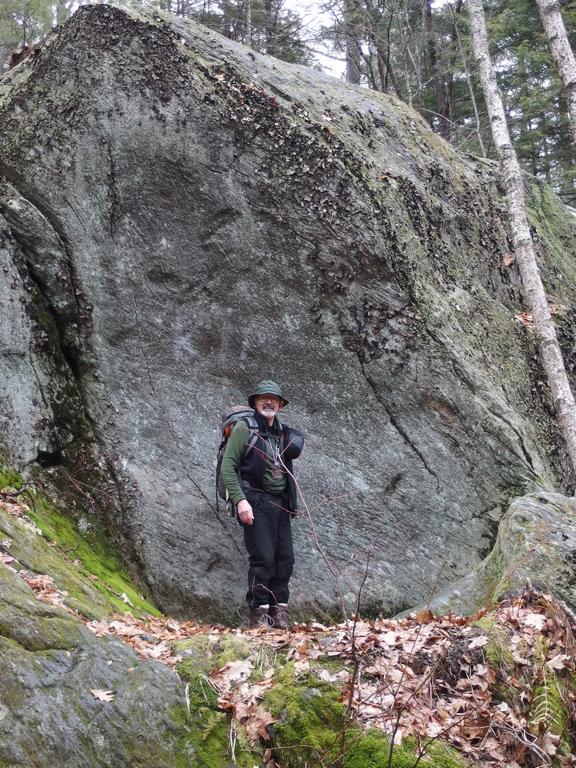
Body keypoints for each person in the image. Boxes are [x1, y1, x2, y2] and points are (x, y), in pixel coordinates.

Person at [220, 380, 304, 629]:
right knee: (263, 560)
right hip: (254, 500)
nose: (269, 403)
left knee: (285, 560)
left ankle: (279, 615)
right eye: (263, 399)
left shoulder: (283, 432)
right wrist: (240, 501)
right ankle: (258, 616)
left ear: (280, 406)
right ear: (255, 403)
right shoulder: (245, 429)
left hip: (280, 505)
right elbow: (228, 466)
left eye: (274, 400)